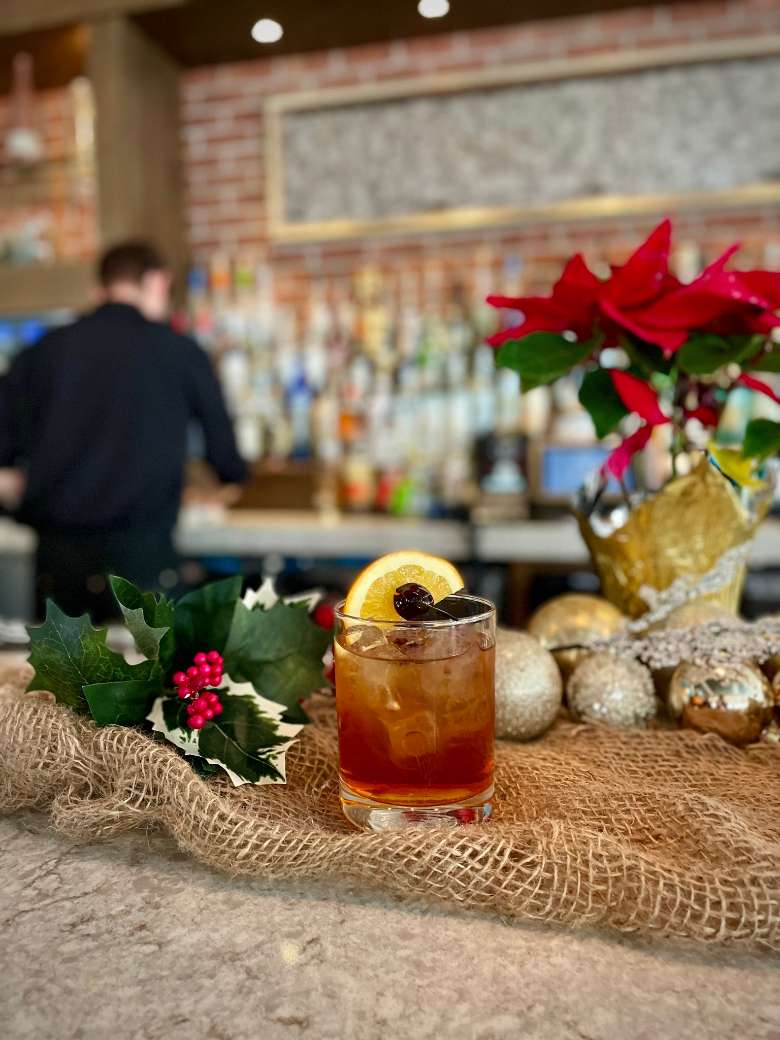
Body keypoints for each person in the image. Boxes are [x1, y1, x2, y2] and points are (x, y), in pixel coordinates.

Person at [0, 241, 247, 619]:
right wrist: (231, 481)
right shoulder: (180, 351)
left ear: (102, 287)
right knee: (151, 657)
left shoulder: (42, 351)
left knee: (61, 659)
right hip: (144, 557)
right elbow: (225, 455)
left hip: (59, 562)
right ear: (156, 281)